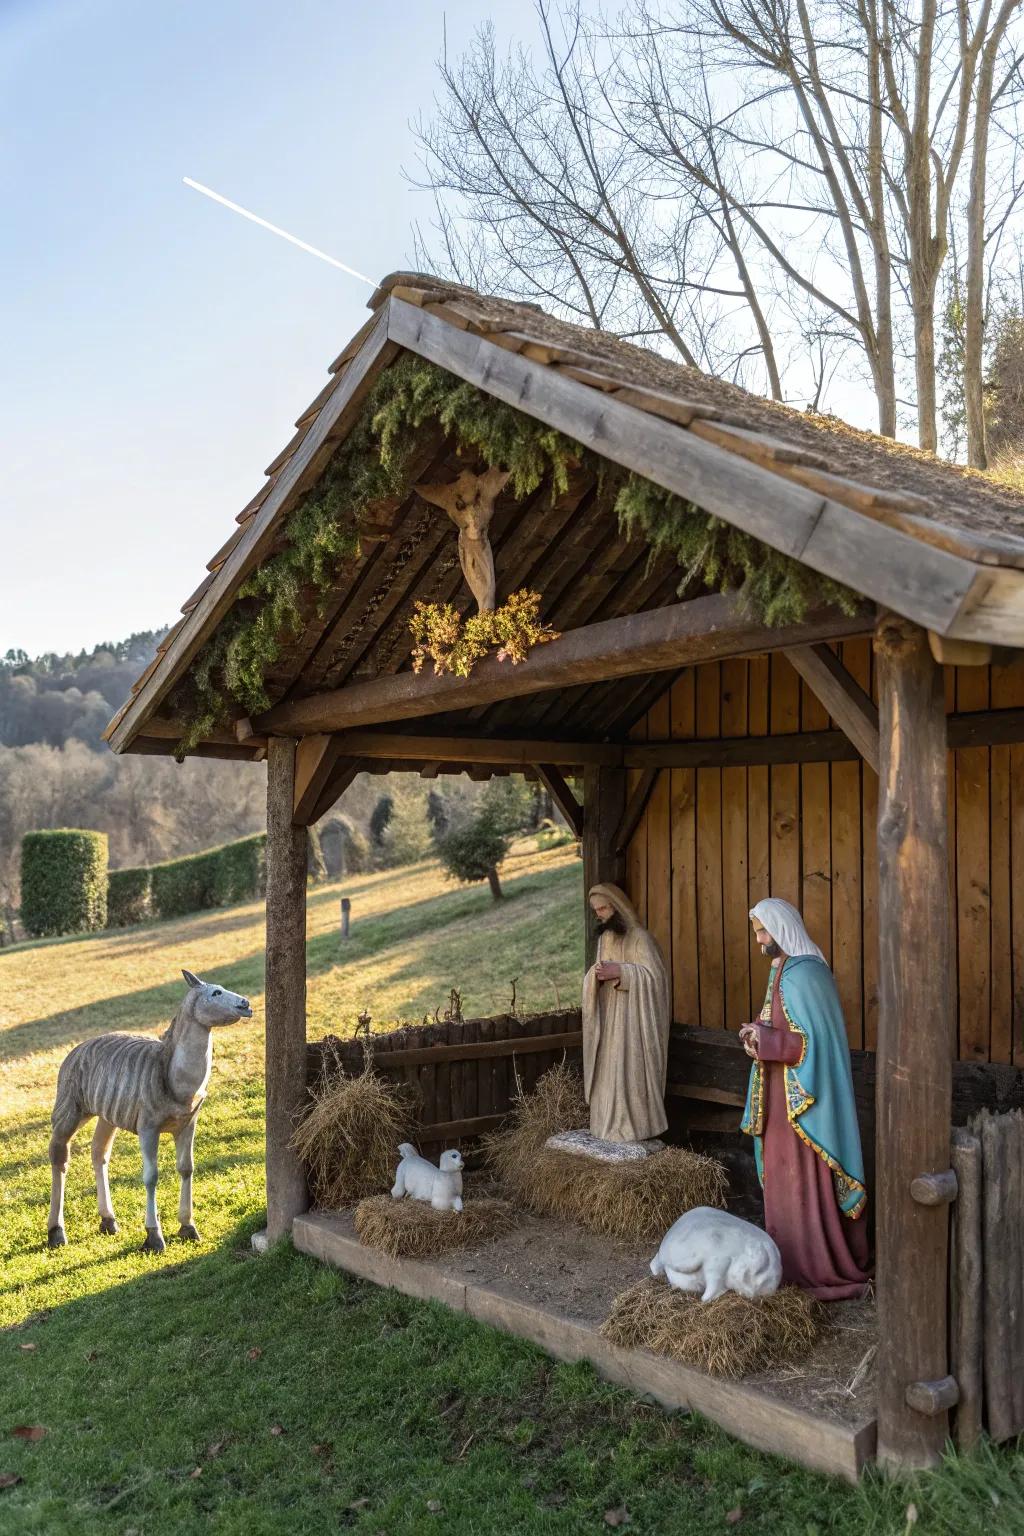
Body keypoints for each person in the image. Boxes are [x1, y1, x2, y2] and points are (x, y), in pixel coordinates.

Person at [739, 898, 870, 1301]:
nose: (760, 940)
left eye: (763, 931)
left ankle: (813, 1264)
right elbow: (778, 1025)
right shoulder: (782, 970)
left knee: (803, 1178)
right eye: (757, 932)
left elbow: (809, 1045)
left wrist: (767, 1041)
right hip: (780, 1099)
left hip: (805, 1104)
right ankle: (787, 1260)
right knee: (782, 1179)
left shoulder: (805, 973)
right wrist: (755, 1034)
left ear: (781, 929)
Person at [581, 883, 671, 1144]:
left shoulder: (641, 939)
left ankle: (635, 1127)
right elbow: (597, 973)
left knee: (630, 1075)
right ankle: (606, 1125)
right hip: (609, 1020)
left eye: (602, 908)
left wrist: (622, 972)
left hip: (634, 1026)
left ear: (617, 907)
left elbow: (656, 981)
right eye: (595, 910)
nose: (598, 914)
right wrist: (595, 976)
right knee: (608, 1073)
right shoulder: (605, 939)